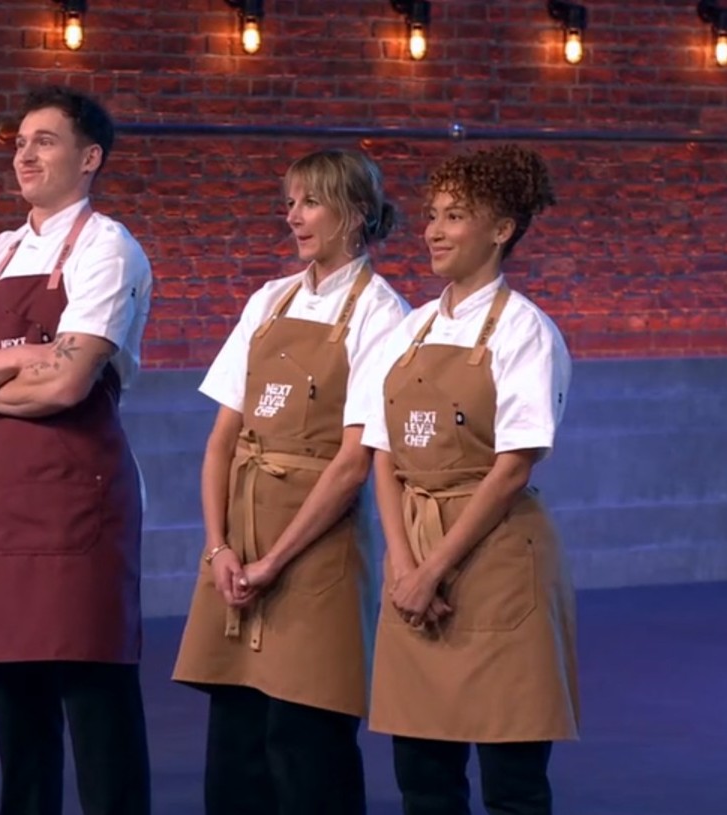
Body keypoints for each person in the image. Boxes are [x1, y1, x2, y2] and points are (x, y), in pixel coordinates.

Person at [0, 86, 154, 815]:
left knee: (96, 699)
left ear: (90, 158)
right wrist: (25, 359)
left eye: (44, 141)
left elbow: (67, 385)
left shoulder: (108, 248)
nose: (24, 154)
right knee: (15, 705)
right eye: (19, 142)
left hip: (81, 501)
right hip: (4, 502)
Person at [170, 148, 409, 815]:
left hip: (316, 552)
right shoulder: (268, 300)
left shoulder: (382, 313)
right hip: (239, 546)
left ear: (355, 213)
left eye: (311, 203)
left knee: (306, 741)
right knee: (236, 738)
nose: (293, 217)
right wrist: (218, 547)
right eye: (290, 203)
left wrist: (274, 560)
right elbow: (222, 439)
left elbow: (353, 460)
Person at [360, 144, 577, 815]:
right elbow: (382, 454)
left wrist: (433, 570)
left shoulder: (526, 332)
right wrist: (402, 564)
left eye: (454, 216)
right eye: (432, 214)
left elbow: (512, 468)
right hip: (413, 555)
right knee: (423, 779)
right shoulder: (409, 328)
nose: (432, 230)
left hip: (495, 558)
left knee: (512, 784)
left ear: (501, 228)